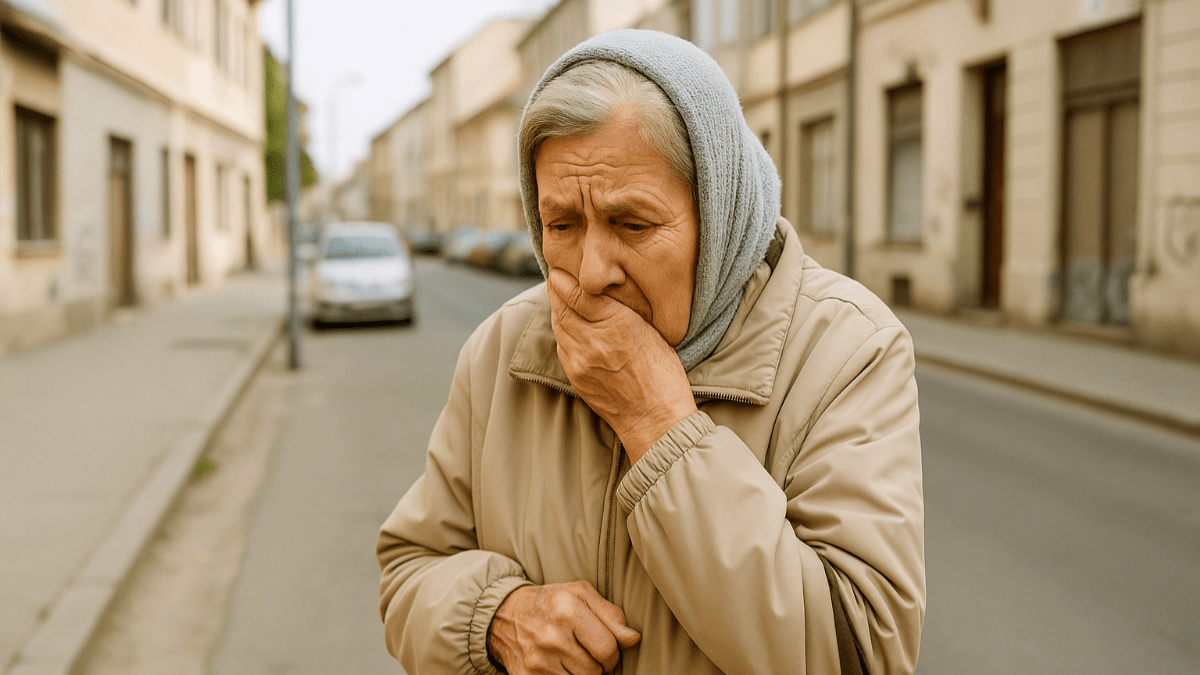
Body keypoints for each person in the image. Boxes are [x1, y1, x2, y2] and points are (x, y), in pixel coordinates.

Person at [377, 30, 925, 675]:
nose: (590, 272)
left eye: (632, 224)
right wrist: (493, 616)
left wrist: (656, 425)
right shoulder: (504, 347)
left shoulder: (849, 349)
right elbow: (409, 569)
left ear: (720, 214)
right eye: (562, 225)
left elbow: (861, 653)